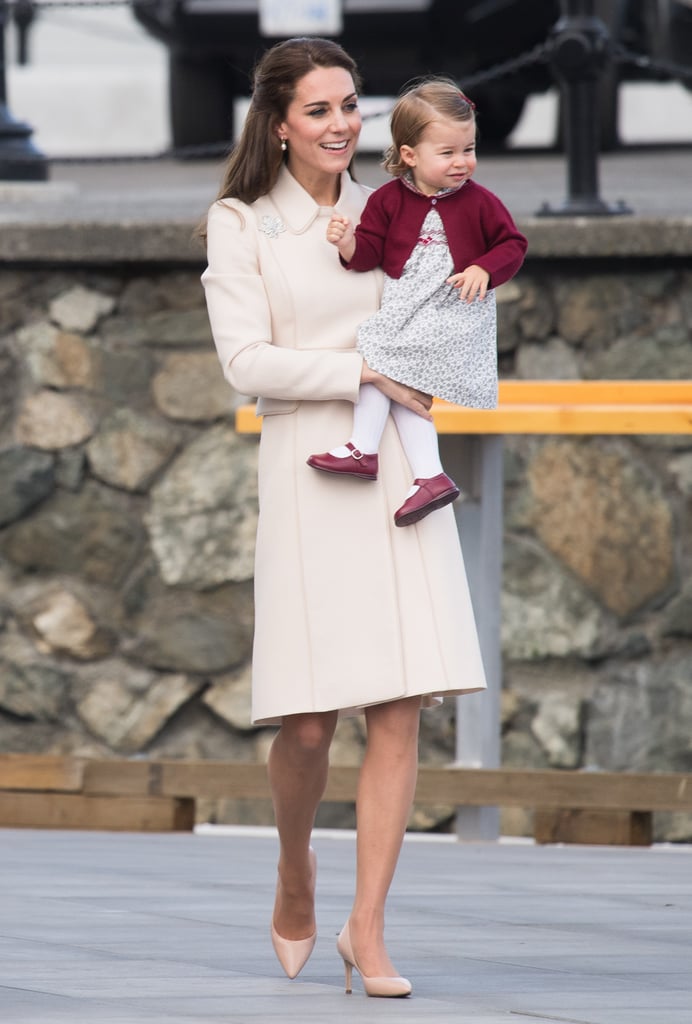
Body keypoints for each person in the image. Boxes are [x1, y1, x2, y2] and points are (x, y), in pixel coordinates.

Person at [201, 37, 487, 999]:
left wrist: (442, 341)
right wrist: (357, 368)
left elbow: (452, 310)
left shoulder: (402, 208)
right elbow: (246, 362)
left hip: (399, 454)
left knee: (399, 705)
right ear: (278, 122)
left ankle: (367, 928)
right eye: (319, 110)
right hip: (309, 464)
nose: (340, 125)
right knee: (312, 727)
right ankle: (294, 868)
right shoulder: (240, 224)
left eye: (351, 106)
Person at [307, 78, 527, 527]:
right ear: (409, 155)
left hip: (452, 312)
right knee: (392, 375)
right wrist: (348, 241)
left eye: (468, 149)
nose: (462, 162)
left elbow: (512, 244)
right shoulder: (389, 200)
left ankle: (365, 451)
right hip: (409, 311)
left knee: (378, 359)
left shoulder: (480, 202)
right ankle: (426, 474)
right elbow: (367, 252)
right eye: (447, 153)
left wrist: (484, 268)